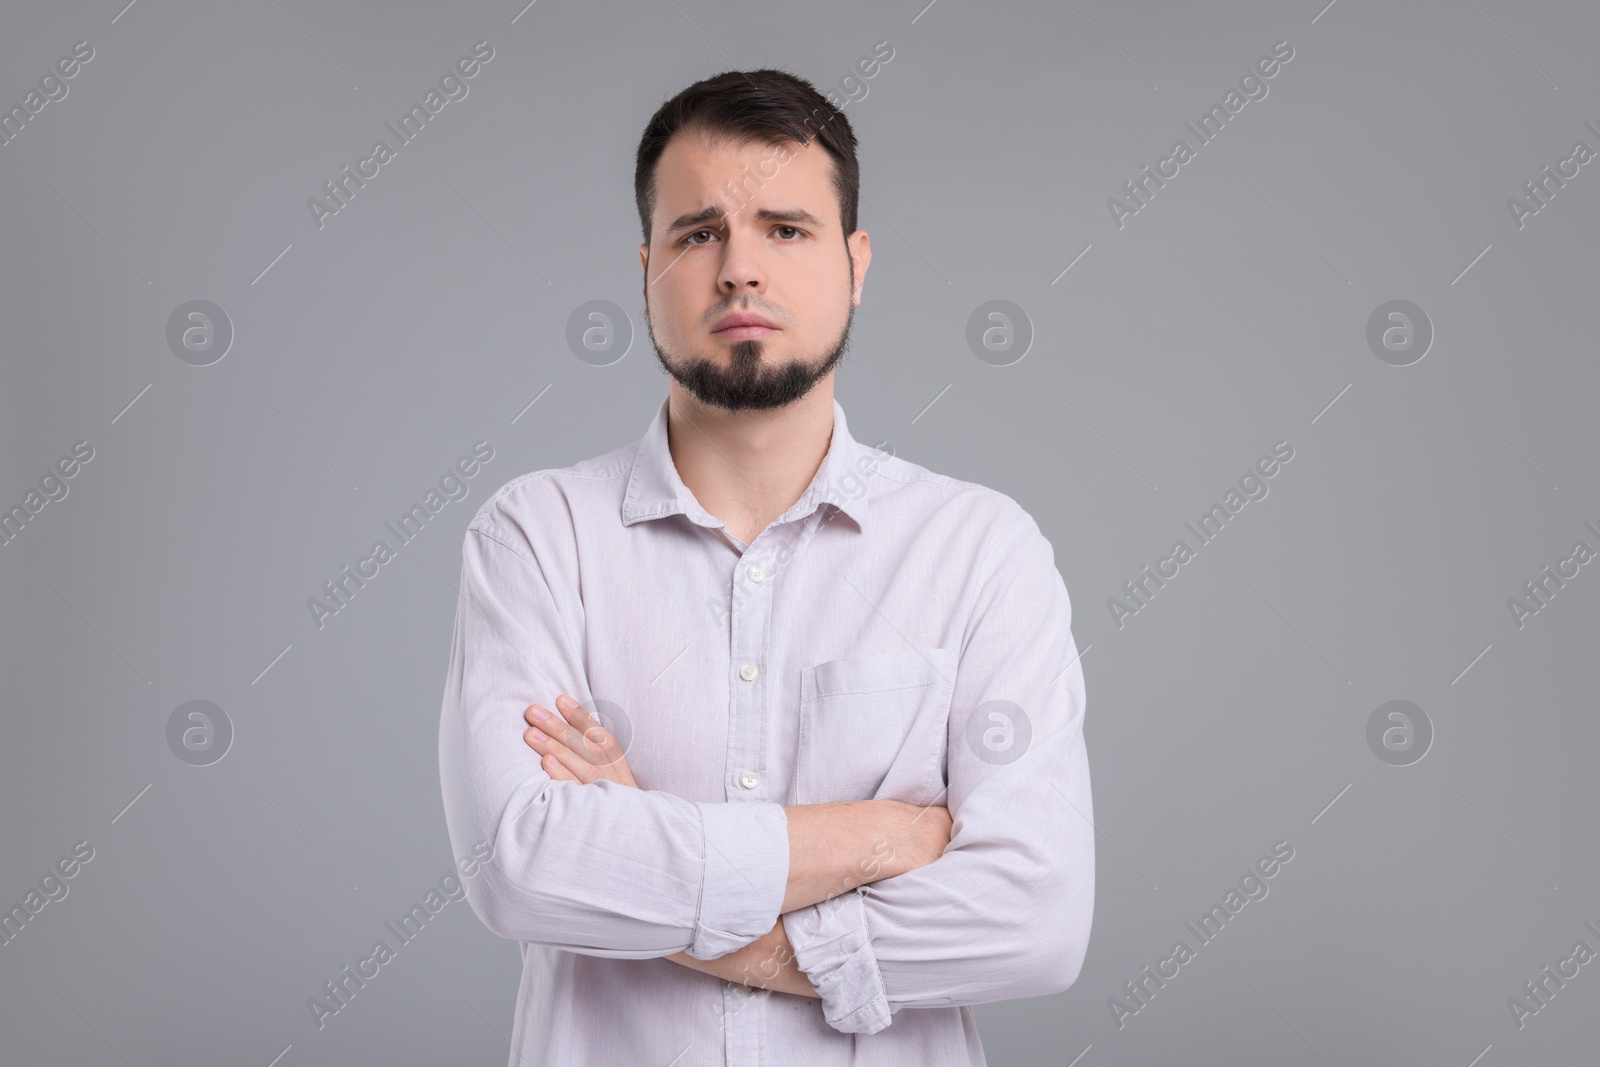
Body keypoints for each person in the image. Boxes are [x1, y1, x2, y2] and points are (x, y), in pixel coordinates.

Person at [438, 67, 1093, 1066]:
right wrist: (875, 836)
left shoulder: (979, 548)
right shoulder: (538, 533)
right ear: (646, 264)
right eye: (699, 233)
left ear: (856, 261)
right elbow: (519, 865)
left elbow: (1035, 919)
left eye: (785, 229)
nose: (740, 269)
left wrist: (650, 854)